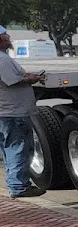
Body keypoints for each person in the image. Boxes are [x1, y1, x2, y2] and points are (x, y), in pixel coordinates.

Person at [0, 26, 47, 198]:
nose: (8, 36)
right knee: (19, 148)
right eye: (4, 35)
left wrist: (26, 75)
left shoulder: (4, 58)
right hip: (12, 113)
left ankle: (15, 183)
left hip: (7, 112)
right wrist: (31, 79)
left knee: (10, 150)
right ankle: (19, 187)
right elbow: (12, 81)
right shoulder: (2, 59)